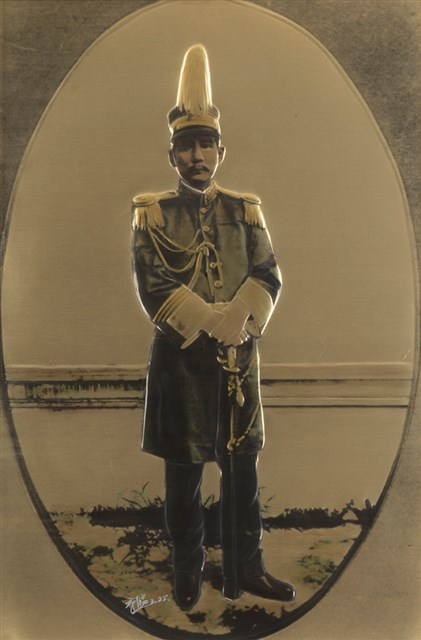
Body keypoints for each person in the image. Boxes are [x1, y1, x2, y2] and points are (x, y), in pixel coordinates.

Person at [131, 44, 295, 611]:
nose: (197, 155)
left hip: (238, 363)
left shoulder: (246, 210)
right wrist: (213, 322)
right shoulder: (152, 213)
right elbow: (153, 283)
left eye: (206, 144)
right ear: (172, 154)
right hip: (180, 364)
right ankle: (186, 569)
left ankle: (248, 567)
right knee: (183, 474)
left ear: (221, 151)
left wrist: (237, 320)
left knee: (242, 471)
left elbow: (267, 274)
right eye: (186, 146)